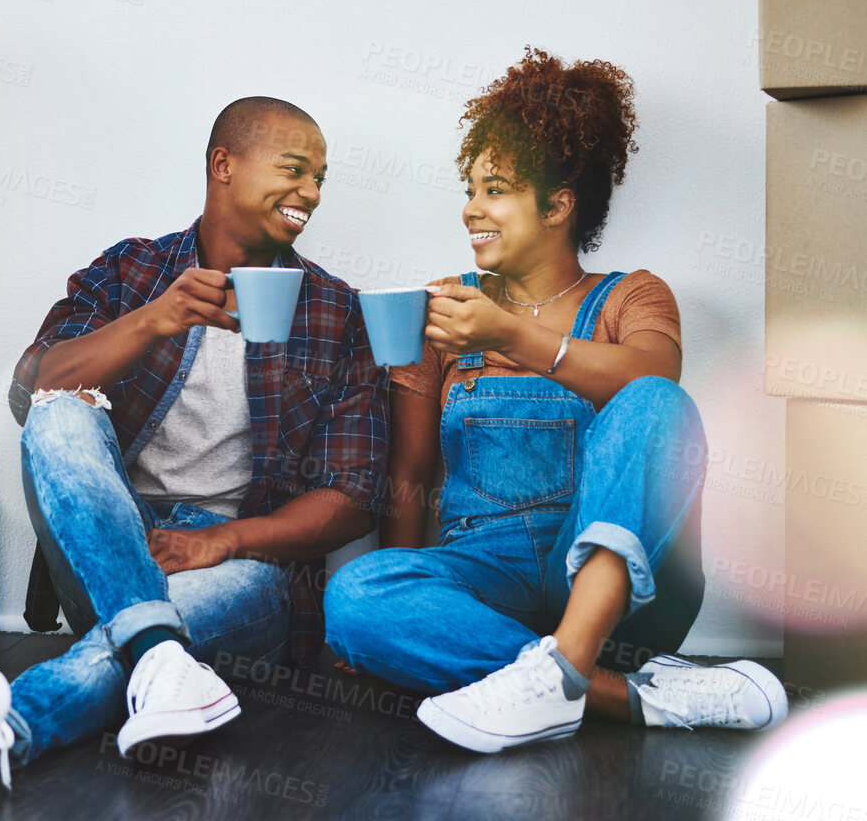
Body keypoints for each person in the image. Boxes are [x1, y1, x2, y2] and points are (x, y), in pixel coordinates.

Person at [0, 96, 388, 790]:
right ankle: (158, 651)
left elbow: (355, 496)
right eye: (296, 170)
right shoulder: (131, 272)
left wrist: (221, 542)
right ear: (223, 165)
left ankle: (10, 724)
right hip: (107, 545)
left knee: (146, 636)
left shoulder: (335, 310)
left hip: (240, 572)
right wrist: (155, 320)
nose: (312, 194)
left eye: (321, 178)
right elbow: (32, 387)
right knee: (60, 412)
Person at [323, 47, 786, 754]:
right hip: (486, 573)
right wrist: (397, 619)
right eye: (469, 188)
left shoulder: (630, 296)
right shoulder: (444, 310)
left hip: (617, 587)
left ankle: (567, 663)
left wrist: (512, 333)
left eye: (495, 188)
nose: (470, 208)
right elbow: (411, 476)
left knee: (653, 399)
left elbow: (654, 383)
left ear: (559, 205)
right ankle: (617, 694)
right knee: (355, 595)